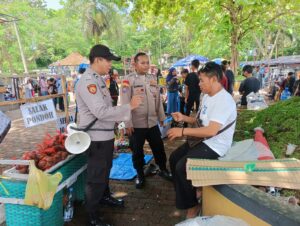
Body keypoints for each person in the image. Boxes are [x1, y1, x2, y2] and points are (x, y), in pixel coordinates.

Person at [76, 44, 142, 226]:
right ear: (97, 60)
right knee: (96, 177)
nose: (110, 65)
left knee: (105, 171)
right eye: (108, 61)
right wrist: (130, 107)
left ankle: (104, 197)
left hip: (104, 136)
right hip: (96, 139)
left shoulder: (97, 79)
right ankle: (92, 215)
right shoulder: (89, 81)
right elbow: (101, 111)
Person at [168, 62, 237, 219]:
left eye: (202, 81)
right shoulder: (206, 96)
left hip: (216, 145)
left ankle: (192, 207)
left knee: (182, 167)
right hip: (203, 140)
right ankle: (189, 193)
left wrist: (182, 130)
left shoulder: (224, 100)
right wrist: (184, 118)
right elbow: (200, 122)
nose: (199, 84)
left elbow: (211, 130)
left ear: (213, 79)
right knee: (173, 159)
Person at [120, 52, 172, 189]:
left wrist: (161, 117)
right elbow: (125, 103)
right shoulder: (127, 80)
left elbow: (158, 100)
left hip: (152, 122)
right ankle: (140, 174)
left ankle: (163, 169)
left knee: (158, 147)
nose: (146, 65)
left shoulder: (153, 78)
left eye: (147, 62)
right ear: (135, 64)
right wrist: (128, 123)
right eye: (142, 63)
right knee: (137, 151)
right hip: (136, 124)